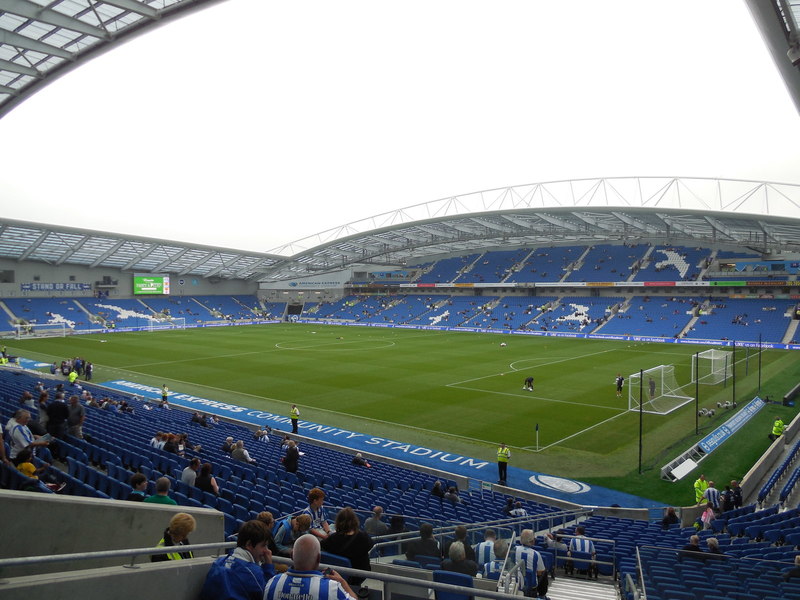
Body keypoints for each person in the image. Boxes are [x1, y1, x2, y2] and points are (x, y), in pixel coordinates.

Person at [263, 534, 356, 600]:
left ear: (292, 556)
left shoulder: (272, 583)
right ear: (318, 558)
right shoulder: (332, 588)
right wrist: (342, 582)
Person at [199, 519, 276, 600]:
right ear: (249, 544)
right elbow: (270, 594)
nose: (267, 551)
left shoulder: (218, 563)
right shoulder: (253, 573)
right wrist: (268, 566)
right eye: (263, 545)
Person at [321, 507, 374, 585]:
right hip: (357, 576)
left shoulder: (332, 538)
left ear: (338, 522)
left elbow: (322, 546)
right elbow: (370, 546)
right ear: (355, 521)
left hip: (336, 575)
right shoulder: (363, 537)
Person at [515, 529, 549, 596]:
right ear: (532, 541)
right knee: (544, 572)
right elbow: (540, 572)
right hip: (531, 586)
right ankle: (542, 595)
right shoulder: (536, 554)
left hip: (516, 582)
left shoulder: (514, 549)